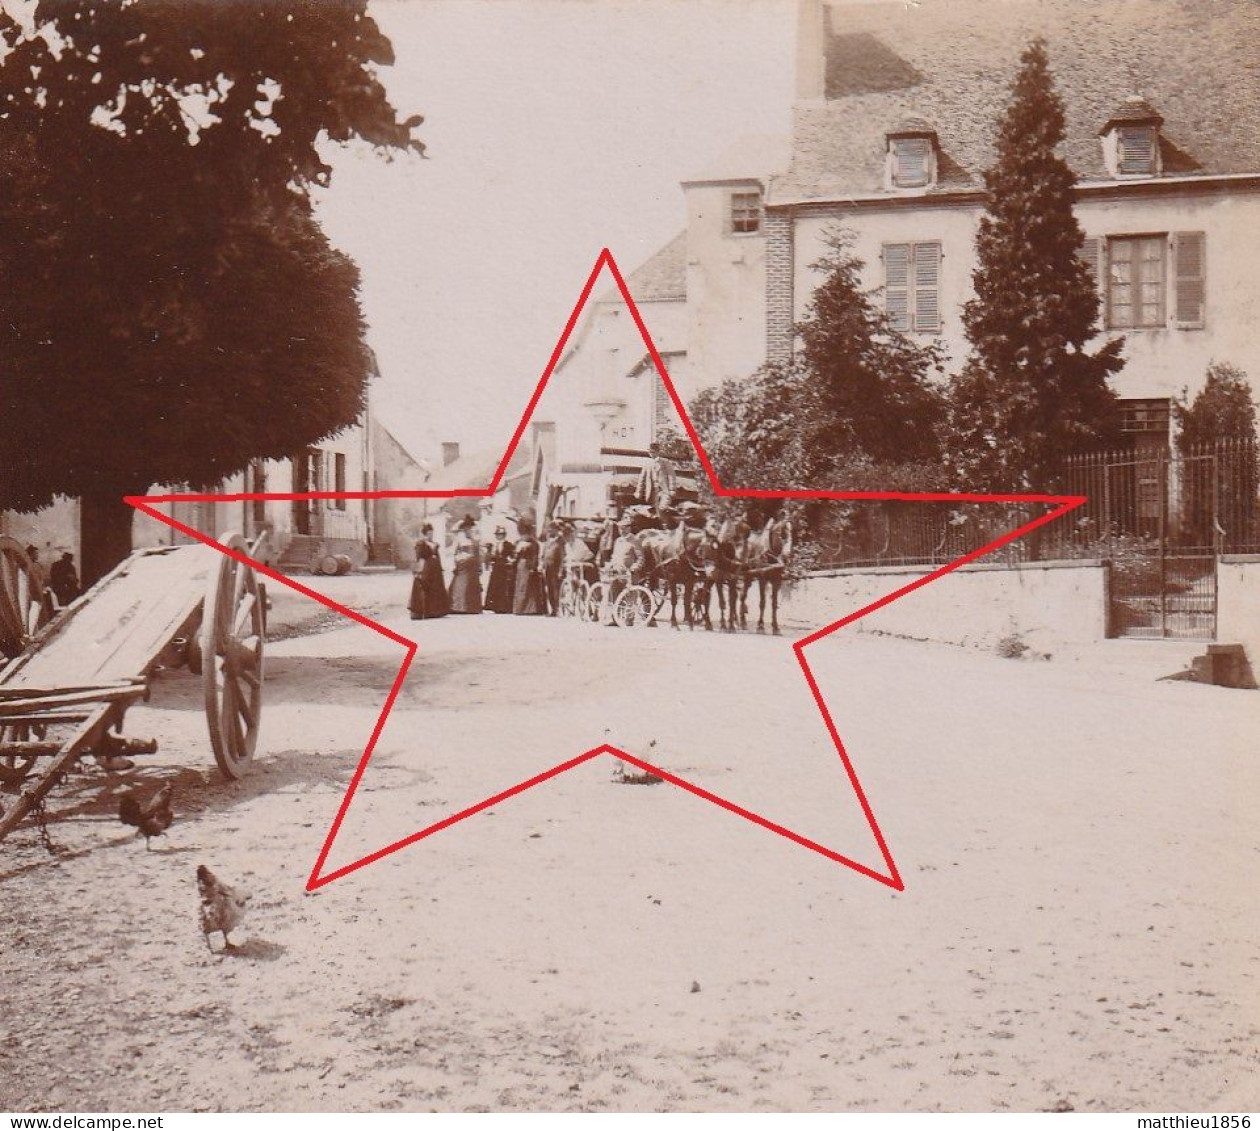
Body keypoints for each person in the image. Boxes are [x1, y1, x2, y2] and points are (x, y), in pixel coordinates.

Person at [409, 524, 449, 620]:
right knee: (428, 587)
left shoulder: (435, 544)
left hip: (436, 568)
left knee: (436, 588)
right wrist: (418, 570)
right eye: (429, 533)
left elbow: (437, 556)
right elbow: (418, 557)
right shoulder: (421, 544)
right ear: (425, 534)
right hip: (427, 568)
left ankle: (436, 611)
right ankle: (427, 611)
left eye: (432, 533)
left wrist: (440, 567)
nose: (431, 535)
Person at [447, 515, 483, 614]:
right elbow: (454, 552)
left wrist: (479, 566)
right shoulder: (459, 540)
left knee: (472, 585)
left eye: (469, 528)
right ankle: (458, 606)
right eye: (466, 528)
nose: (468, 530)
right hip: (462, 565)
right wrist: (457, 561)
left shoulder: (474, 540)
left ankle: (472, 607)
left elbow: (478, 554)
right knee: (461, 584)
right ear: (463, 529)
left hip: (473, 567)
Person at [511, 519, 546, 615]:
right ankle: (520, 608)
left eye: (526, 533)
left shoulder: (533, 543)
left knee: (528, 586)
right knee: (521, 586)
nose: (524, 535)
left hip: (528, 565)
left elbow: (535, 555)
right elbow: (515, 555)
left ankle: (530, 609)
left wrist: (533, 566)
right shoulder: (519, 542)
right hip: (521, 565)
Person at [483, 525, 516, 613]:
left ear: (504, 535)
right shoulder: (494, 545)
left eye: (501, 534)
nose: (499, 536)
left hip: (504, 568)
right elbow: (491, 556)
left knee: (503, 587)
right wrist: (491, 560)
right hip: (496, 567)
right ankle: (493, 606)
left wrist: (509, 562)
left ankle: (503, 606)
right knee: (494, 586)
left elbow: (512, 556)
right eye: (497, 534)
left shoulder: (508, 544)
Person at [541, 521, 565, 616]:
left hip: (556, 567)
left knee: (556, 588)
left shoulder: (560, 541)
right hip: (547, 567)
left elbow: (563, 556)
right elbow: (543, 555)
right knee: (549, 589)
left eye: (552, 530)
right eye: (549, 530)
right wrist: (542, 565)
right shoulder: (547, 542)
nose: (550, 531)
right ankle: (553, 610)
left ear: (556, 530)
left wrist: (560, 569)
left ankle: (558, 608)